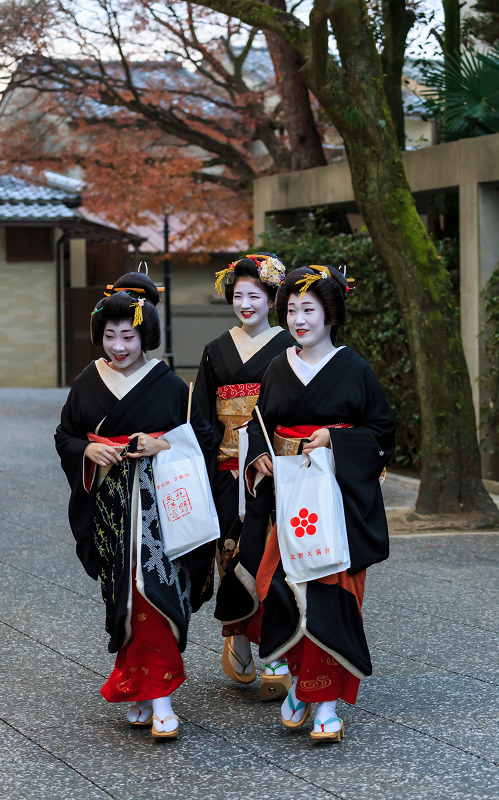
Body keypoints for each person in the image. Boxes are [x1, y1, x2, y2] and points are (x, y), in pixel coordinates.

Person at [55, 271, 214, 740]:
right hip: (108, 508)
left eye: (129, 335)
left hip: (158, 508)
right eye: (109, 336)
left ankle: (161, 695)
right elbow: (65, 435)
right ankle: (137, 686)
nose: (119, 346)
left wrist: (161, 444)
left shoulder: (168, 384)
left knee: (155, 593)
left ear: (147, 335)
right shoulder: (88, 381)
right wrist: (87, 450)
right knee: (124, 597)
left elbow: (202, 438)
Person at [244, 265, 395, 742]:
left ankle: (324, 701)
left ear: (331, 315)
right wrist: (261, 458)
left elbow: (381, 433)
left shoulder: (354, 368)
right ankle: (296, 686)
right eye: (291, 310)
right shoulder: (276, 368)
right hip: (290, 500)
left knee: (331, 596)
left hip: (337, 504)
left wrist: (334, 438)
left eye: (309, 309)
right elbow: (258, 426)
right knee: (289, 591)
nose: (298, 319)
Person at [194, 254, 295, 700]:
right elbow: (201, 415)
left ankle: (276, 644)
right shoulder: (216, 349)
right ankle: (235, 635)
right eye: (238, 296)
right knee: (229, 553)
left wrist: (278, 454)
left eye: (255, 295)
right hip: (225, 465)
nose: (245, 304)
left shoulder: (289, 345)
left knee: (272, 557)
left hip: (271, 466)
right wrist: (207, 453)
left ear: (272, 298)